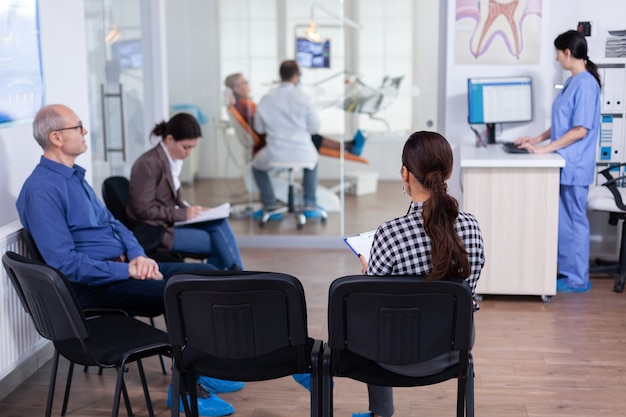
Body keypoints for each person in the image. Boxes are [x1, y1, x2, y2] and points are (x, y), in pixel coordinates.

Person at [16, 104, 242, 417]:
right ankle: (186, 387)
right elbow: (66, 263)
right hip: (94, 285)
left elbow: (116, 224)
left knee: (206, 274)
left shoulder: (75, 178)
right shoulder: (41, 190)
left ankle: (198, 367)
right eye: (77, 127)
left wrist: (138, 255)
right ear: (56, 137)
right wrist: (128, 269)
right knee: (190, 292)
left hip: (125, 269)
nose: (85, 132)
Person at [355, 131, 485, 417]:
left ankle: (381, 412)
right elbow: (468, 289)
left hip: (391, 356)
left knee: (368, 316)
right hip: (451, 350)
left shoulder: (390, 233)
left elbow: (373, 300)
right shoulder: (472, 227)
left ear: (405, 174)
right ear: (448, 173)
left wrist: (368, 270)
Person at [515, 29, 601, 293]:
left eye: (557, 53)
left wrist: (546, 149)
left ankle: (577, 279)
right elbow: (562, 124)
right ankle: (568, 274)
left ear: (567, 53)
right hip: (566, 162)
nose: (555, 59)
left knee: (574, 221)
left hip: (575, 164)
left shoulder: (586, 83)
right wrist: (537, 140)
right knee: (565, 221)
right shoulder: (572, 82)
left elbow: (580, 129)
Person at [126, 112, 244, 271]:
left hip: (169, 222)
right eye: (186, 147)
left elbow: (169, 200)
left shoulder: (172, 160)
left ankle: (227, 282)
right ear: (169, 139)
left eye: (192, 148)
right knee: (218, 243)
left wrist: (194, 211)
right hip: (155, 230)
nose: (189, 152)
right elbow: (143, 209)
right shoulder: (148, 164)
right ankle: (234, 279)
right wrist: (183, 214)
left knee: (219, 222)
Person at [224, 72, 367, 157]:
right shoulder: (246, 105)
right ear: (236, 88)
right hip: (271, 141)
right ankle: (348, 147)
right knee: (309, 136)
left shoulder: (243, 105)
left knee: (310, 136)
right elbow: (262, 125)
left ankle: (348, 146)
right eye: (244, 82)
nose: (248, 85)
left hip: (271, 138)